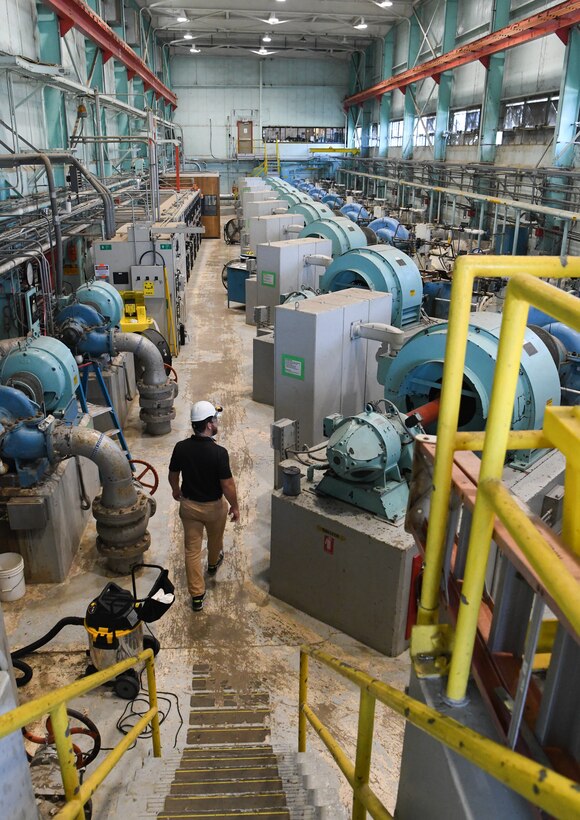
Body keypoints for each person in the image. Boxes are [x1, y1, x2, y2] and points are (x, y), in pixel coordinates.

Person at [168, 400, 240, 611]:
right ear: (209, 424)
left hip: (189, 507)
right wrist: (234, 506)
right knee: (215, 539)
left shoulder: (181, 448)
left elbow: (173, 474)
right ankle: (212, 564)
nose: (217, 422)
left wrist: (175, 490)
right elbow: (227, 485)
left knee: (192, 550)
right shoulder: (219, 453)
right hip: (214, 508)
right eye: (215, 419)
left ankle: (197, 596)